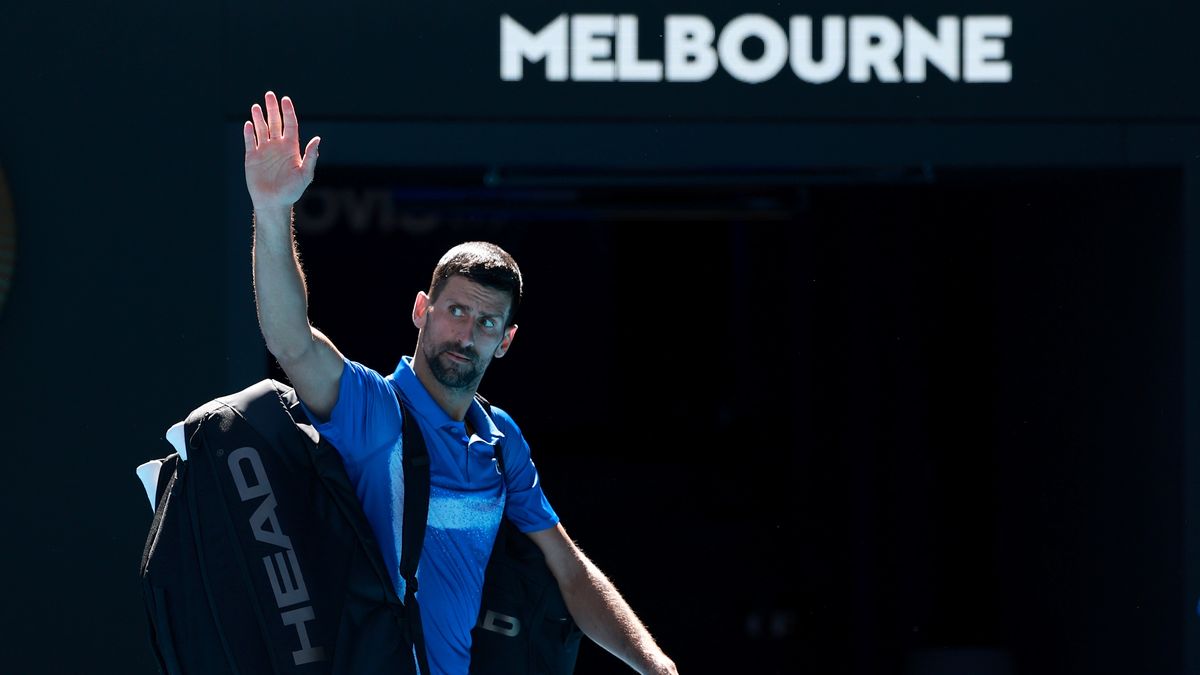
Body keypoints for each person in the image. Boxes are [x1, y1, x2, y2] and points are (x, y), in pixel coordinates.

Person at [243, 90, 679, 675]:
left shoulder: (503, 443)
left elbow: (568, 570)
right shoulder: (374, 411)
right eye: (454, 311)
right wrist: (272, 212)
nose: (465, 333)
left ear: (505, 341)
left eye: (485, 322)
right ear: (421, 310)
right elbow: (290, 340)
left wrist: (655, 666)